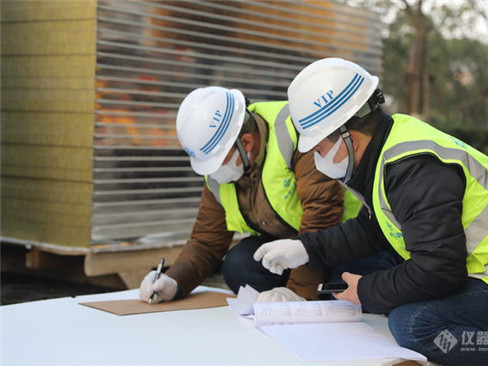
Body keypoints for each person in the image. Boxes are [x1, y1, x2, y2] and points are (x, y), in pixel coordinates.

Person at [254, 58, 488, 365]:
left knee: (415, 324)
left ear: (348, 138)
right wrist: (306, 249)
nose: (317, 160)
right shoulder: (389, 151)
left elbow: (439, 271)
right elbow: (372, 228)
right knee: (408, 306)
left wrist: (365, 290)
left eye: (318, 149)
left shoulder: (413, 168)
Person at [139, 86, 369, 304]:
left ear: (246, 143)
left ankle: (318, 292)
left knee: (346, 280)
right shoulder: (220, 171)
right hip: (289, 246)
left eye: (218, 163)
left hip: (341, 240)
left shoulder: (296, 135)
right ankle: (306, 289)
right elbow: (206, 239)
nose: (213, 173)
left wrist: (297, 292)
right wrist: (174, 281)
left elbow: (322, 217)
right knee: (239, 265)